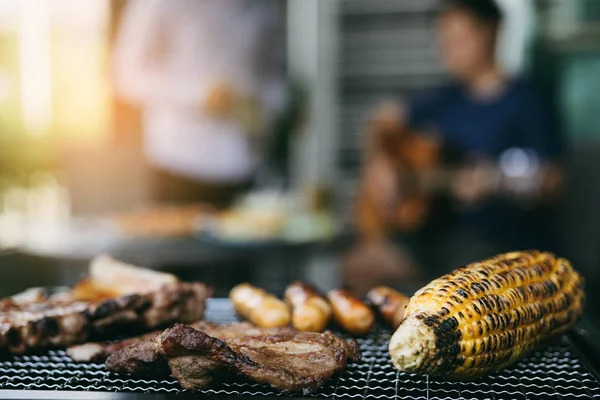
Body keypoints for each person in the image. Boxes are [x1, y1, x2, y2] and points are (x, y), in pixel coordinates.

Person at [347, 0, 564, 290]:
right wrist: (381, 165)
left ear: (491, 32)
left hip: (498, 242)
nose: (447, 50)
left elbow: (552, 181)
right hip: (433, 234)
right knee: (359, 266)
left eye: (457, 40)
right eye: (443, 41)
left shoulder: (528, 101)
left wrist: (492, 184)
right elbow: (380, 121)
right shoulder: (443, 98)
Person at [113, 0, 287, 208]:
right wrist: (198, 94)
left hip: (245, 163)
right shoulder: (158, 4)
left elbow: (273, 79)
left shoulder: (263, 8)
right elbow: (125, 76)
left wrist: (272, 109)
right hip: (180, 164)